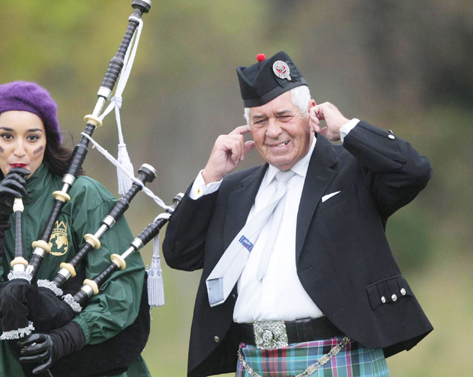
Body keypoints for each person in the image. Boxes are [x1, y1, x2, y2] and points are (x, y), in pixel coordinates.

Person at [162, 52, 433, 377]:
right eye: (260, 121)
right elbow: (180, 254)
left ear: (310, 113)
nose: (273, 131)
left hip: (335, 356)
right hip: (252, 362)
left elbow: (413, 171)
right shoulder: (234, 189)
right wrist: (210, 176)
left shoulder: (352, 172)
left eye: (284, 116)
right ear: (248, 127)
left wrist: (347, 128)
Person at [0, 81, 151, 377]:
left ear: (46, 140)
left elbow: (123, 287)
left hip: (91, 365)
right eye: (7, 136)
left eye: (32, 137)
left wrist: (67, 338)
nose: (19, 150)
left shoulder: (82, 195)